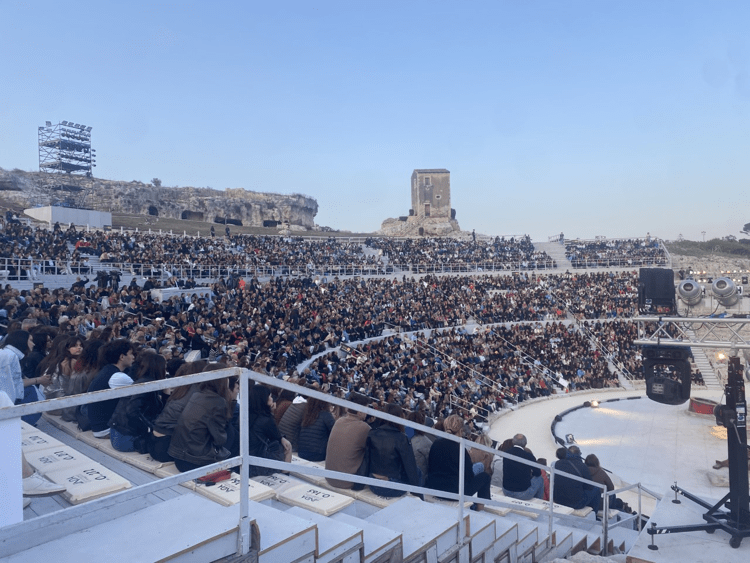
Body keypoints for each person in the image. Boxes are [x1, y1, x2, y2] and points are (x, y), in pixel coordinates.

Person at [169, 376, 239, 472]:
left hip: (179, 457)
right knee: (232, 432)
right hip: (193, 462)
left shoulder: (196, 395)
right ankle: (233, 470)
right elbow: (220, 439)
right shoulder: (218, 402)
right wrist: (232, 400)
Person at [425, 415, 491, 510]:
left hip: (434, 486)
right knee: (485, 476)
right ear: (460, 431)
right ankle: (480, 509)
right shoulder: (460, 448)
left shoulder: (435, 443)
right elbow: (469, 476)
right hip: (454, 492)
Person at [108, 350, 167, 452]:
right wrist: (150, 428)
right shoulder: (146, 385)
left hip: (119, 432)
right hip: (125, 438)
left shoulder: (143, 381)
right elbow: (132, 411)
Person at [365, 403, 420, 498]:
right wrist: (418, 495)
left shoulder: (372, 433)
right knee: (418, 471)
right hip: (391, 486)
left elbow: (366, 460)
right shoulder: (402, 438)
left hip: (373, 483)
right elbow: (410, 468)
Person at [86, 339, 136, 438]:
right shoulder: (118, 377)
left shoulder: (107, 370)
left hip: (99, 426)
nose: (133, 357)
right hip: (106, 429)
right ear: (122, 357)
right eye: (131, 354)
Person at [325, 392, 371, 489]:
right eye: (366, 409)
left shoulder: (339, 421)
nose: (367, 412)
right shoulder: (364, 428)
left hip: (330, 477)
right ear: (360, 412)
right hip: (346, 482)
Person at [246, 384, 292, 476]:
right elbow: (275, 434)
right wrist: (271, 412)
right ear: (264, 399)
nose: (272, 398)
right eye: (270, 396)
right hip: (260, 461)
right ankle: (285, 475)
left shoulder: (246, 414)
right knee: (288, 446)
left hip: (249, 457)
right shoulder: (265, 419)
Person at [552, 446, 600, 512]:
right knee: (596, 489)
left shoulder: (557, 464)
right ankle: (595, 515)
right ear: (579, 454)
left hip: (557, 499)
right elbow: (589, 486)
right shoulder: (582, 466)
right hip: (575, 503)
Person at [502, 433, 544, 500]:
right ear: (525, 443)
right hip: (522, 493)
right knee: (540, 478)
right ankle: (538, 501)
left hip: (506, 490)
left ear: (513, 442)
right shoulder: (528, 456)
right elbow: (538, 473)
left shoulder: (506, 453)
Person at [297, 396, 335, 462]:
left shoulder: (307, 414)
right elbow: (334, 432)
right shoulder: (326, 415)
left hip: (302, 452)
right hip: (318, 455)